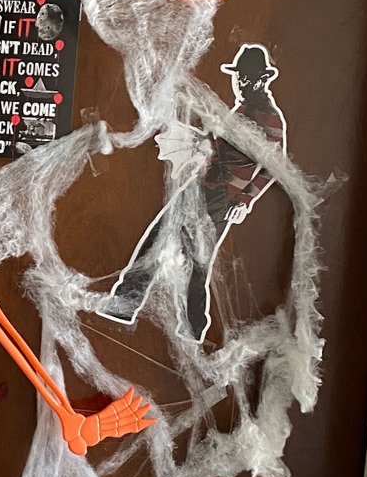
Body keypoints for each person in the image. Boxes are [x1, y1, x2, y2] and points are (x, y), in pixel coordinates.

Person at [96, 43, 287, 342]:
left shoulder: (267, 117)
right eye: (238, 77)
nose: (238, 83)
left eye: (243, 78)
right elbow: (221, 145)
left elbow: (273, 167)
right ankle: (133, 305)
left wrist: (244, 199)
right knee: (160, 239)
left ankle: (192, 324)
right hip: (201, 187)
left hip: (222, 197)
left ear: (257, 80)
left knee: (196, 257)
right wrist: (202, 139)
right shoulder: (242, 109)